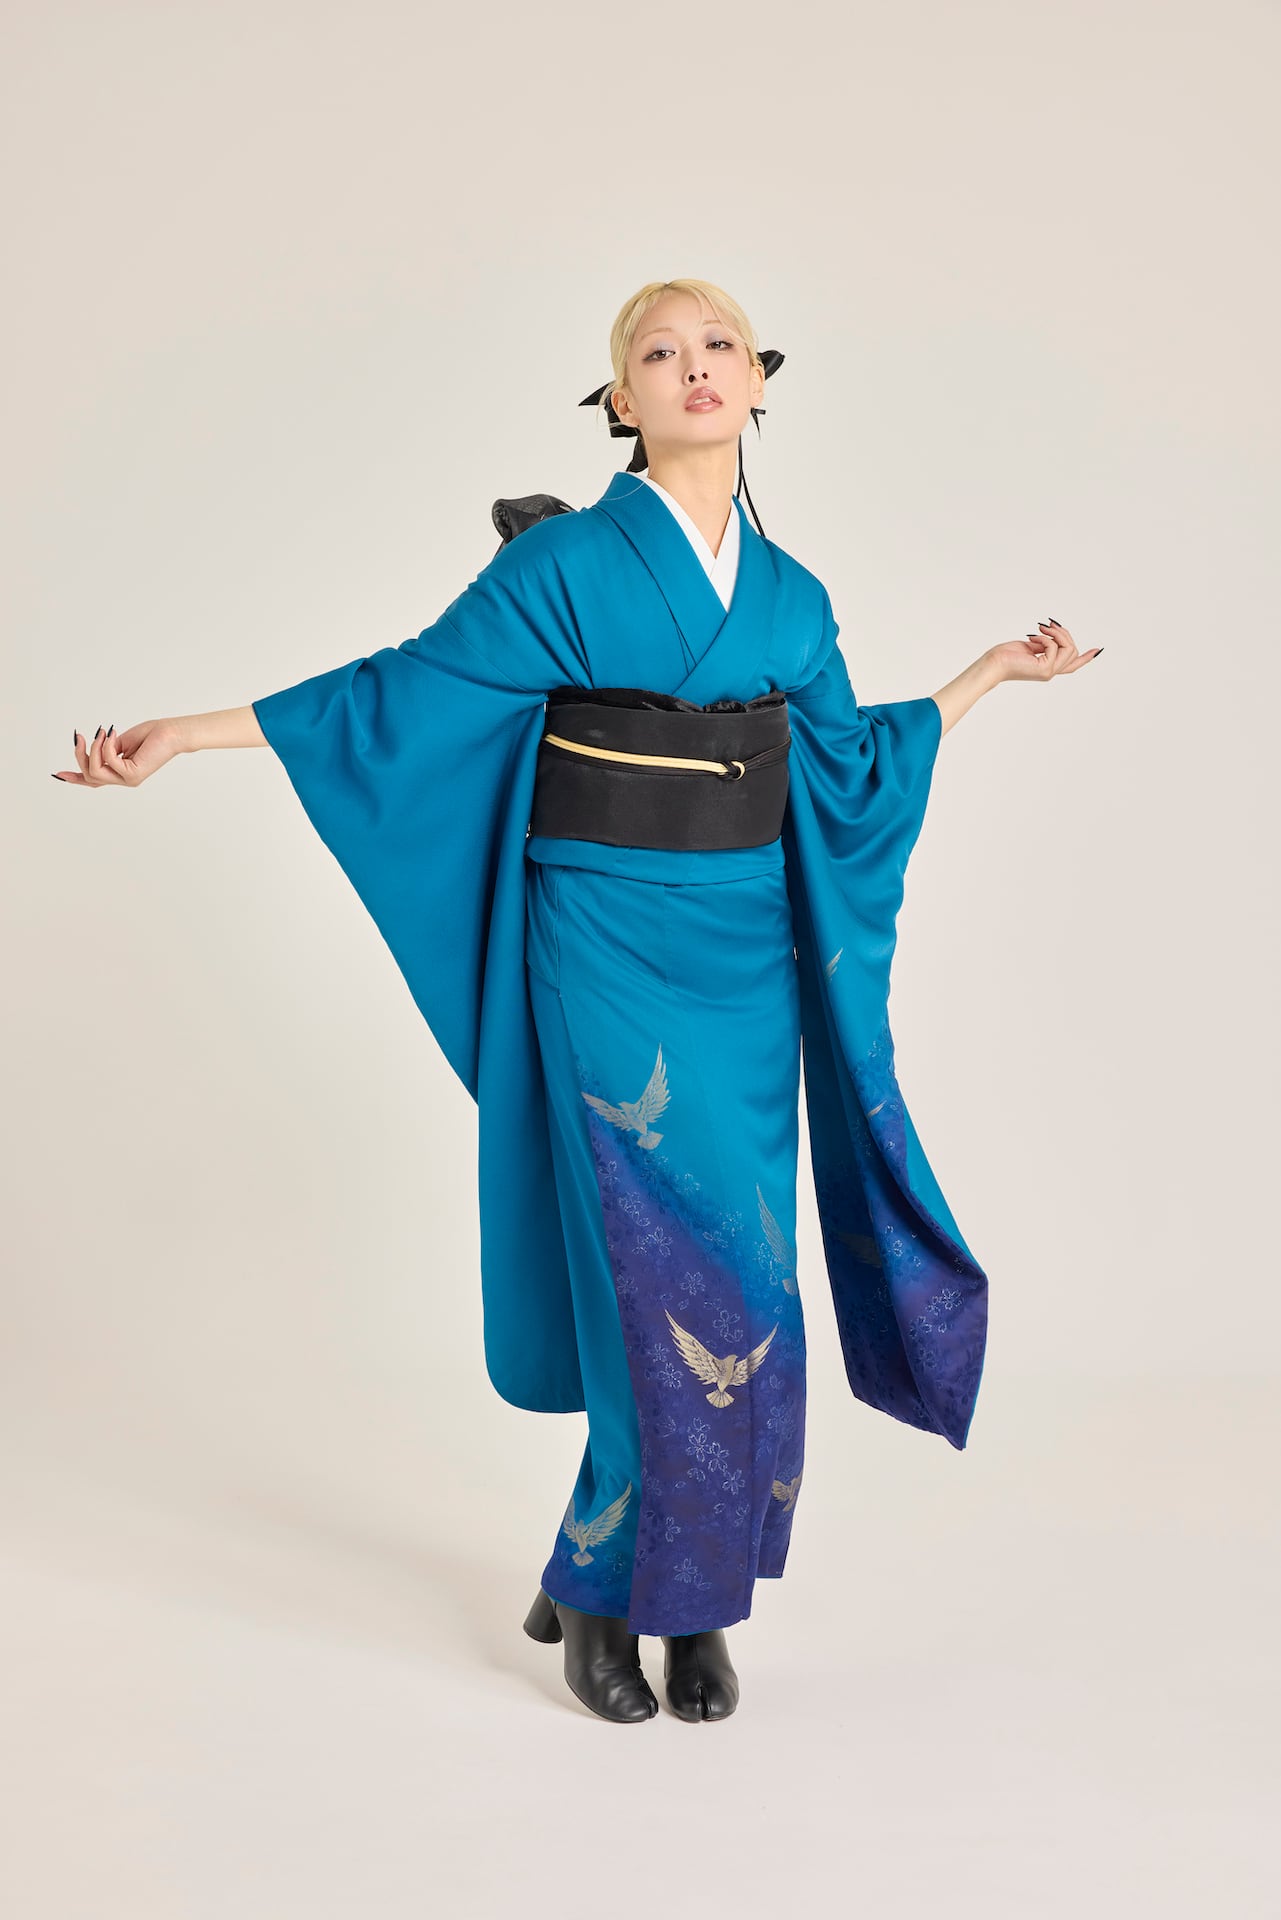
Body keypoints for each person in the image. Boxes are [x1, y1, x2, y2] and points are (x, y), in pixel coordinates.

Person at [52, 277, 1102, 1726]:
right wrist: (190, 734)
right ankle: (621, 1598)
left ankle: (673, 1593)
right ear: (619, 402)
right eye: (657, 354)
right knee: (647, 1269)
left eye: (717, 346)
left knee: (746, 1282)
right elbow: (398, 695)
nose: (693, 368)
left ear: (759, 380)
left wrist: (988, 672)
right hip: (598, 935)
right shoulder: (563, 567)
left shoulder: (794, 598)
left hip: (743, 953)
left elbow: (850, 766)